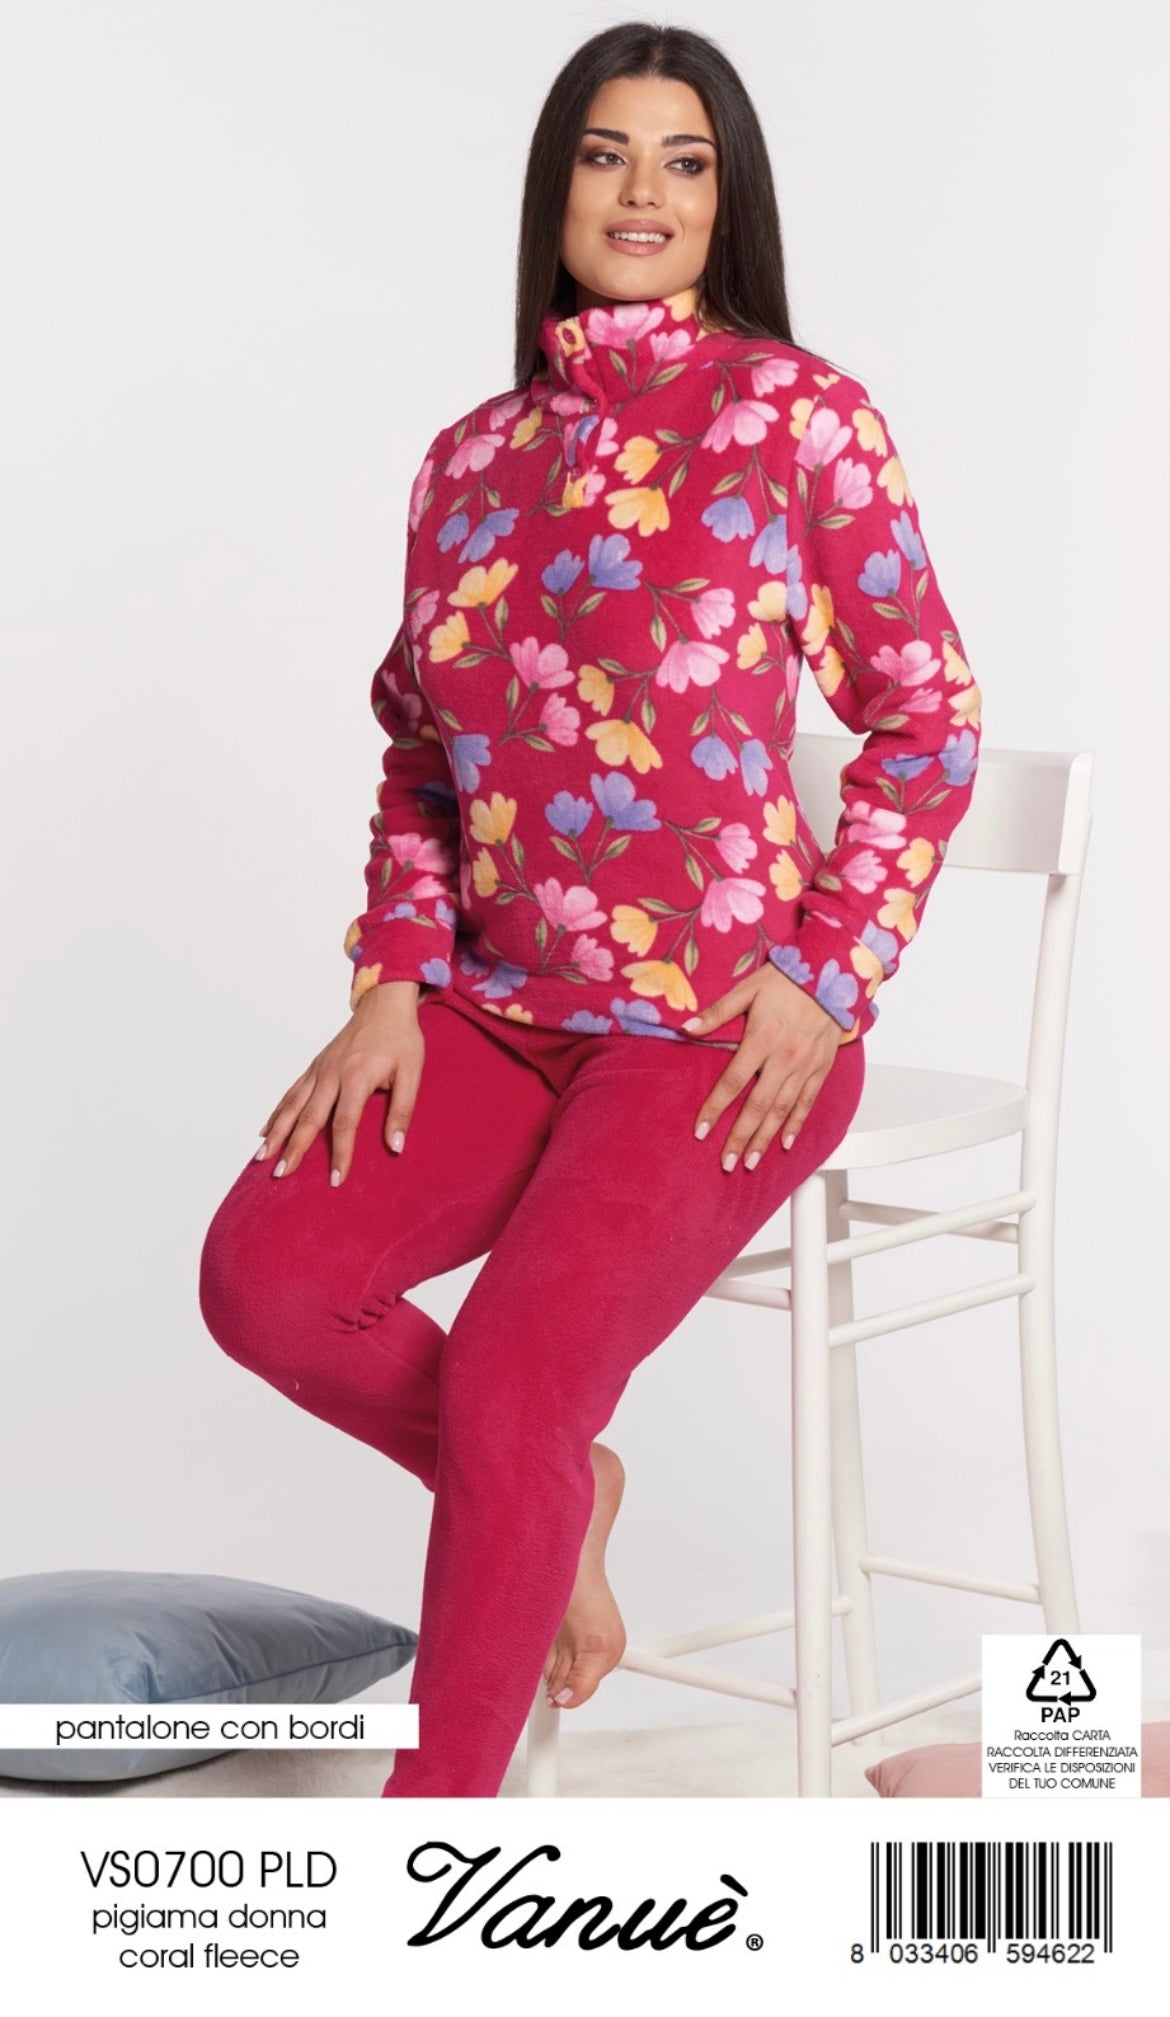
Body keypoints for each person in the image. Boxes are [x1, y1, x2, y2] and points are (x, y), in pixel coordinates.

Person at [198, 21, 983, 1799]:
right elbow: (422, 752)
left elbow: (925, 719)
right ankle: (561, 1490)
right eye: (606, 154)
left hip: (718, 1030)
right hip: (491, 1009)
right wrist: (392, 979)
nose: (643, 192)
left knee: (510, 1388)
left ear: (726, 200)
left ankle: (429, 1858)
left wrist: (825, 977)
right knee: (267, 1277)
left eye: (683, 161)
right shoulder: (469, 458)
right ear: (553, 190)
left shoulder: (796, 416)